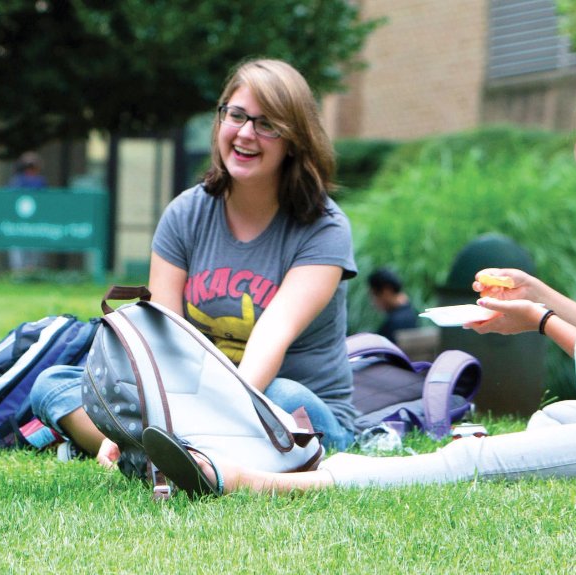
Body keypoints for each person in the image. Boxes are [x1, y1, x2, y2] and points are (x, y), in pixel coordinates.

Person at [169, 71, 576, 496]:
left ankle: (266, 482)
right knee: (550, 422)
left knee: (475, 460)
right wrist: (541, 296)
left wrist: (541, 322)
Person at [29, 59, 359, 458]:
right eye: (236, 116)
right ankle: (160, 451)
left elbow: (271, 338)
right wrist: (151, 410)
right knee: (54, 384)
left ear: (294, 139)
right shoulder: (186, 213)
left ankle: (159, 450)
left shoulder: (323, 228)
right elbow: (164, 339)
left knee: (282, 395)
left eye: (267, 124)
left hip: (294, 412)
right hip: (194, 403)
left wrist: (196, 421)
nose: (246, 133)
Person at [366, 267, 420, 342]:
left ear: (386, 291)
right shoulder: (413, 313)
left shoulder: (395, 322)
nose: (373, 302)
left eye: (374, 295)